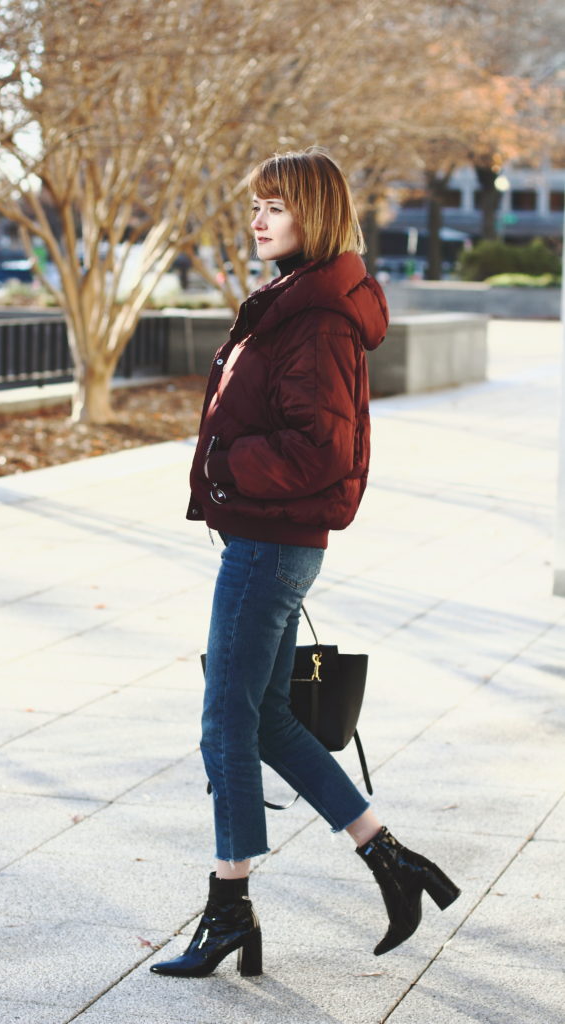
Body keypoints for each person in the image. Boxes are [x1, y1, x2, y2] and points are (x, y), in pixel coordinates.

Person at [151, 149, 460, 979]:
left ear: (313, 216)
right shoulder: (299, 299)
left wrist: (223, 465)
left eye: (276, 207)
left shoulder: (317, 317)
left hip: (269, 544)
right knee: (269, 718)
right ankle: (390, 859)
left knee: (225, 720)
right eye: (256, 205)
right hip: (269, 541)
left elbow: (320, 447)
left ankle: (227, 909)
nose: (258, 220)